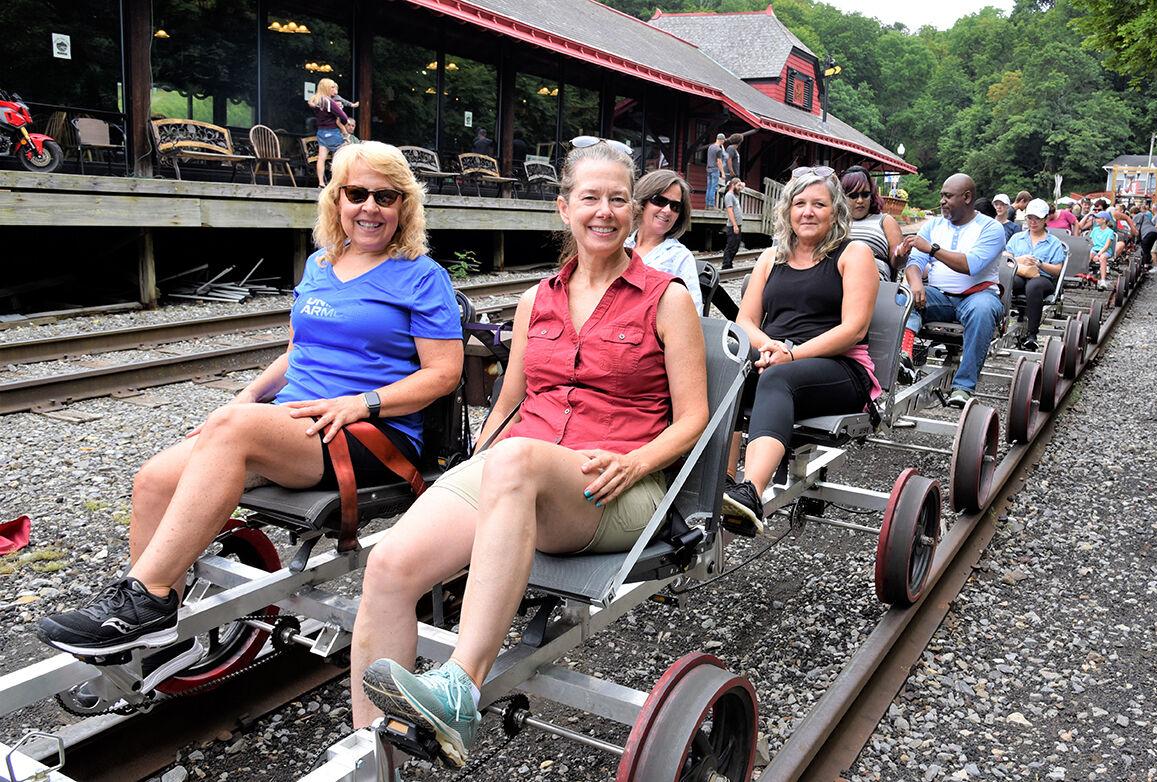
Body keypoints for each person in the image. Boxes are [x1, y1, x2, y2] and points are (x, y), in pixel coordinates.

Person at [36, 143, 466, 671]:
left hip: (370, 433)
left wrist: (363, 403)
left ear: (405, 206)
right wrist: (241, 402)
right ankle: (151, 625)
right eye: (356, 193)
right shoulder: (321, 264)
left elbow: (444, 375)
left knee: (233, 432)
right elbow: (297, 351)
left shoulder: (422, 276)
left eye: (385, 196)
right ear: (337, 199)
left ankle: (148, 597)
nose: (369, 207)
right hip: (291, 424)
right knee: (154, 479)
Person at [353, 139, 708, 765]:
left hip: (614, 483)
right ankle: (369, 758)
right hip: (521, 469)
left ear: (634, 210)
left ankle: (460, 688)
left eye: (618, 200)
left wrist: (637, 462)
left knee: (516, 462)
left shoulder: (667, 297)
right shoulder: (534, 300)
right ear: (563, 207)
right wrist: (467, 470)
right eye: (590, 198)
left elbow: (695, 420)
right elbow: (509, 406)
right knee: (387, 568)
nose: (604, 211)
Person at [720, 168, 880, 534]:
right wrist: (769, 346)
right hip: (776, 359)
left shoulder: (853, 253)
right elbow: (744, 321)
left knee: (778, 378)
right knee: (726, 371)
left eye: (818, 204)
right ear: (788, 211)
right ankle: (724, 484)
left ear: (835, 211)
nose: (807, 211)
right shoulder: (771, 257)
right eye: (800, 203)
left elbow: (853, 328)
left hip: (839, 368)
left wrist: (792, 354)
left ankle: (750, 493)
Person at [897, 173, 1006, 408]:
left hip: (978, 295)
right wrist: (915, 283)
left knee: (983, 309)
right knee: (903, 297)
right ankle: (904, 356)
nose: (942, 201)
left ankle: (963, 387)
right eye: (941, 196)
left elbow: (972, 265)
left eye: (948, 196)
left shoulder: (991, 228)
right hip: (939, 295)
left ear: (967, 198)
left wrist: (933, 249)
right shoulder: (933, 224)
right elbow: (914, 262)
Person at [625, 169, 704, 314]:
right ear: (642, 202)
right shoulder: (620, 244)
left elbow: (694, 312)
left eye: (675, 206)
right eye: (660, 201)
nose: (667, 210)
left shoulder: (679, 257)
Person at [1006, 199, 1066, 351]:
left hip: (1043, 278)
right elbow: (1006, 259)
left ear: (1045, 219)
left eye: (1037, 218)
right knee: (1008, 281)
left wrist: (1040, 264)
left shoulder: (1054, 242)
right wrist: (1020, 260)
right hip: (1020, 273)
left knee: (1033, 286)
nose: (1033, 222)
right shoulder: (1017, 238)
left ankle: (1032, 335)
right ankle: (997, 324)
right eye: (1030, 218)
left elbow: (1057, 270)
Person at [841, 166, 903, 281]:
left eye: (865, 194)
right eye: (853, 196)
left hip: (875, 281)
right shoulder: (835, 222)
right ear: (842, 197)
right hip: (838, 280)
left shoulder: (885, 221)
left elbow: (897, 264)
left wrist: (900, 254)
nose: (860, 200)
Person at [308, 78, 352, 188]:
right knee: (343, 155)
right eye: (332, 87)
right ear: (326, 88)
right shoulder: (329, 101)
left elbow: (311, 104)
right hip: (332, 132)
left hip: (321, 133)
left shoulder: (316, 100)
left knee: (321, 158)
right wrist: (341, 123)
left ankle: (321, 183)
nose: (334, 89)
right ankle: (338, 182)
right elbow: (344, 117)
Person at [1088, 211, 1116, 289]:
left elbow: (1107, 246)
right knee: (1088, 255)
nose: (1096, 220)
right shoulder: (1095, 230)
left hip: (1105, 251)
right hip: (1095, 249)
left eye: (1098, 218)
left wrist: (1098, 254)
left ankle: (1103, 280)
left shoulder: (1110, 232)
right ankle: (1084, 274)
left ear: (1104, 220)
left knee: (1103, 257)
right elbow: (1090, 242)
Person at [723, 177, 745, 270]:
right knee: (731, 246)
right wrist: (735, 225)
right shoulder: (729, 195)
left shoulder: (735, 195)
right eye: (738, 185)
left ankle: (730, 263)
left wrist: (741, 184)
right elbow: (730, 211)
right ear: (732, 185)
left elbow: (742, 187)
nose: (740, 187)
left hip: (737, 225)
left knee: (736, 246)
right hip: (733, 226)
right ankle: (726, 265)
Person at [705, 132, 727, 209]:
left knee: (709, 187)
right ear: (722, 140)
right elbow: (719, 162)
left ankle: (707, 204)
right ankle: (711, 205)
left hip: (708, 169)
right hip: (714, 169)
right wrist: (723, 173)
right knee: (713, 187)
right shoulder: (718, 149)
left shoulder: (710, 147)